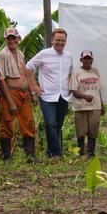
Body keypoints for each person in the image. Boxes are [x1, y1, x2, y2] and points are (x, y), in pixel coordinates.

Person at [27, 29, 73, 159]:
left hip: (63, 95)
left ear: (65, 41)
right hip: (47, 96)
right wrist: (34, 86)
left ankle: (50, 151)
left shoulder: (68, 56)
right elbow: (28, 68)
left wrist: (69, 85)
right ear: (52, 40)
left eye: (62, 40)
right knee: (50, 123)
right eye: (57, 40)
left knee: (57, 125)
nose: (60, 42)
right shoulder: (44, 54)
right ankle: (56, 154)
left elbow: (70, 71)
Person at [0, 27, 38, 163]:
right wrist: (10, 101)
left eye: (14, 38)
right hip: (11, 92)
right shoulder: (2, 54)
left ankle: (30, 155)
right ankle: (7, 156)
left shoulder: (20, 53)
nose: (12, 40)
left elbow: (25, 74)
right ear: (6, 39)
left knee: (28, 122)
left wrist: (32, 92)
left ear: (18, 38)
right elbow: (1, 78)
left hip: (24, 93)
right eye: (9, 38)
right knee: (7, 122)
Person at [70, 50, 105, 158]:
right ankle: (81, 153)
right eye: (85, 58)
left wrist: (102, 105)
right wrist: (85, 97)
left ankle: (90, 154)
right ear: (81, 60)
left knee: (93, 131)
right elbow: (74, 91)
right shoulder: (76, 73)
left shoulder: (96, 71)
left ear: (92, 60)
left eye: (89, 58)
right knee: (81, 132)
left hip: (95, 106)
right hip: (81, 107)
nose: (87, 60)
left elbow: (98, 90)